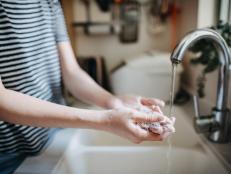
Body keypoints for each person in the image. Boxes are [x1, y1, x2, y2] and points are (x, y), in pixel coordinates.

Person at [0, 0, 175, 173]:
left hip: (52, 137)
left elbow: (72, 72)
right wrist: (106, 120)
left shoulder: (49, 2)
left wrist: (112, 101)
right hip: (8, 153)